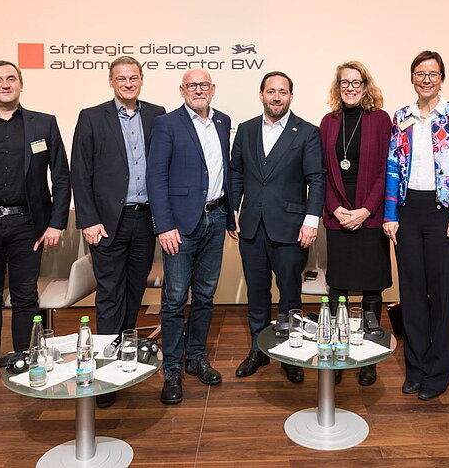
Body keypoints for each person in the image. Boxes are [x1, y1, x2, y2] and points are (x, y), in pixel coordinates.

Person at [0, 60, 71, 399]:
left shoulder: (43, 124)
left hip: (27, 226)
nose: (5, 84)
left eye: (11, 79)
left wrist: (56, 223)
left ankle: (24, 357)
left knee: (25, 298)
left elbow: (61, 179)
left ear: (20, 85)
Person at [71, 56, 166, 408]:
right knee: (110, 292)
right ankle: (107, 371)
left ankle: (126, 351)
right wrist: (88, 220)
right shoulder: (92, 117)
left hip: (146, 219)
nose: (128, 83)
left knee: (134, 288)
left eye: (134, 77)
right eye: (121, 78)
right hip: (108, 221)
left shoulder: (158, 114)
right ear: (110, 81)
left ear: (141, 80)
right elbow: (80, 172)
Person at [383, 50, 449, 401]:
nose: (426, 79)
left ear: (441, 78)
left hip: (443, 212)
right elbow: (393, 165)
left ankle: (437, 372)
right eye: (420, 73)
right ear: (412, 77)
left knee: (443, 294)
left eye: (432, 73)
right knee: (412, 293)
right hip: (408, 211)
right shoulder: (402, 116)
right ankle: (416, 368)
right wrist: (390, 214)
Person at [229, 71, 325, 384]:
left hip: (291, 228)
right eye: (271, 91)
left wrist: (311, 220)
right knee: (257, 294)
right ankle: (259, 350)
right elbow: (235, 173)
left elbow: (316, 179)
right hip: (252, 228)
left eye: (283, 92)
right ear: (261, 95)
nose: (277, 97)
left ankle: (290, 351)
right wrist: (234, 210)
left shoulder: (307, 132)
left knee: (290, 296)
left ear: (291, 97)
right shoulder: (245, 130)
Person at [146, 69, 235, 405]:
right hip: (180, 226)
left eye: (203, 85)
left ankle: (195, 357)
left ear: (213, 89)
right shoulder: (167, 124)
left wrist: (231, 214)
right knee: (173, 299)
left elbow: (225, 170)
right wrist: (164, 226)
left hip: (217, 217)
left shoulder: (223, 121)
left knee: (206, 295)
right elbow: (156, 177)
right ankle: (171, 369)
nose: (198, 90)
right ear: (182, 90)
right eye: (191, 86)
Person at [318, 61, 392, 387]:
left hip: (370, 219)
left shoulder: (380, 120)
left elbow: (385, 171)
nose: (350, 87)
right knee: (339, 287)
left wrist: (365, 210)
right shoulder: (328, 122)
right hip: (338, 219)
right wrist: (335, 209)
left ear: (365, 85)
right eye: (344, 82)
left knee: (372, 287)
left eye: (356, 81)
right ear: (338, 86)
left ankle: (369, 357)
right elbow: (321, 173)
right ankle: (337, 350)